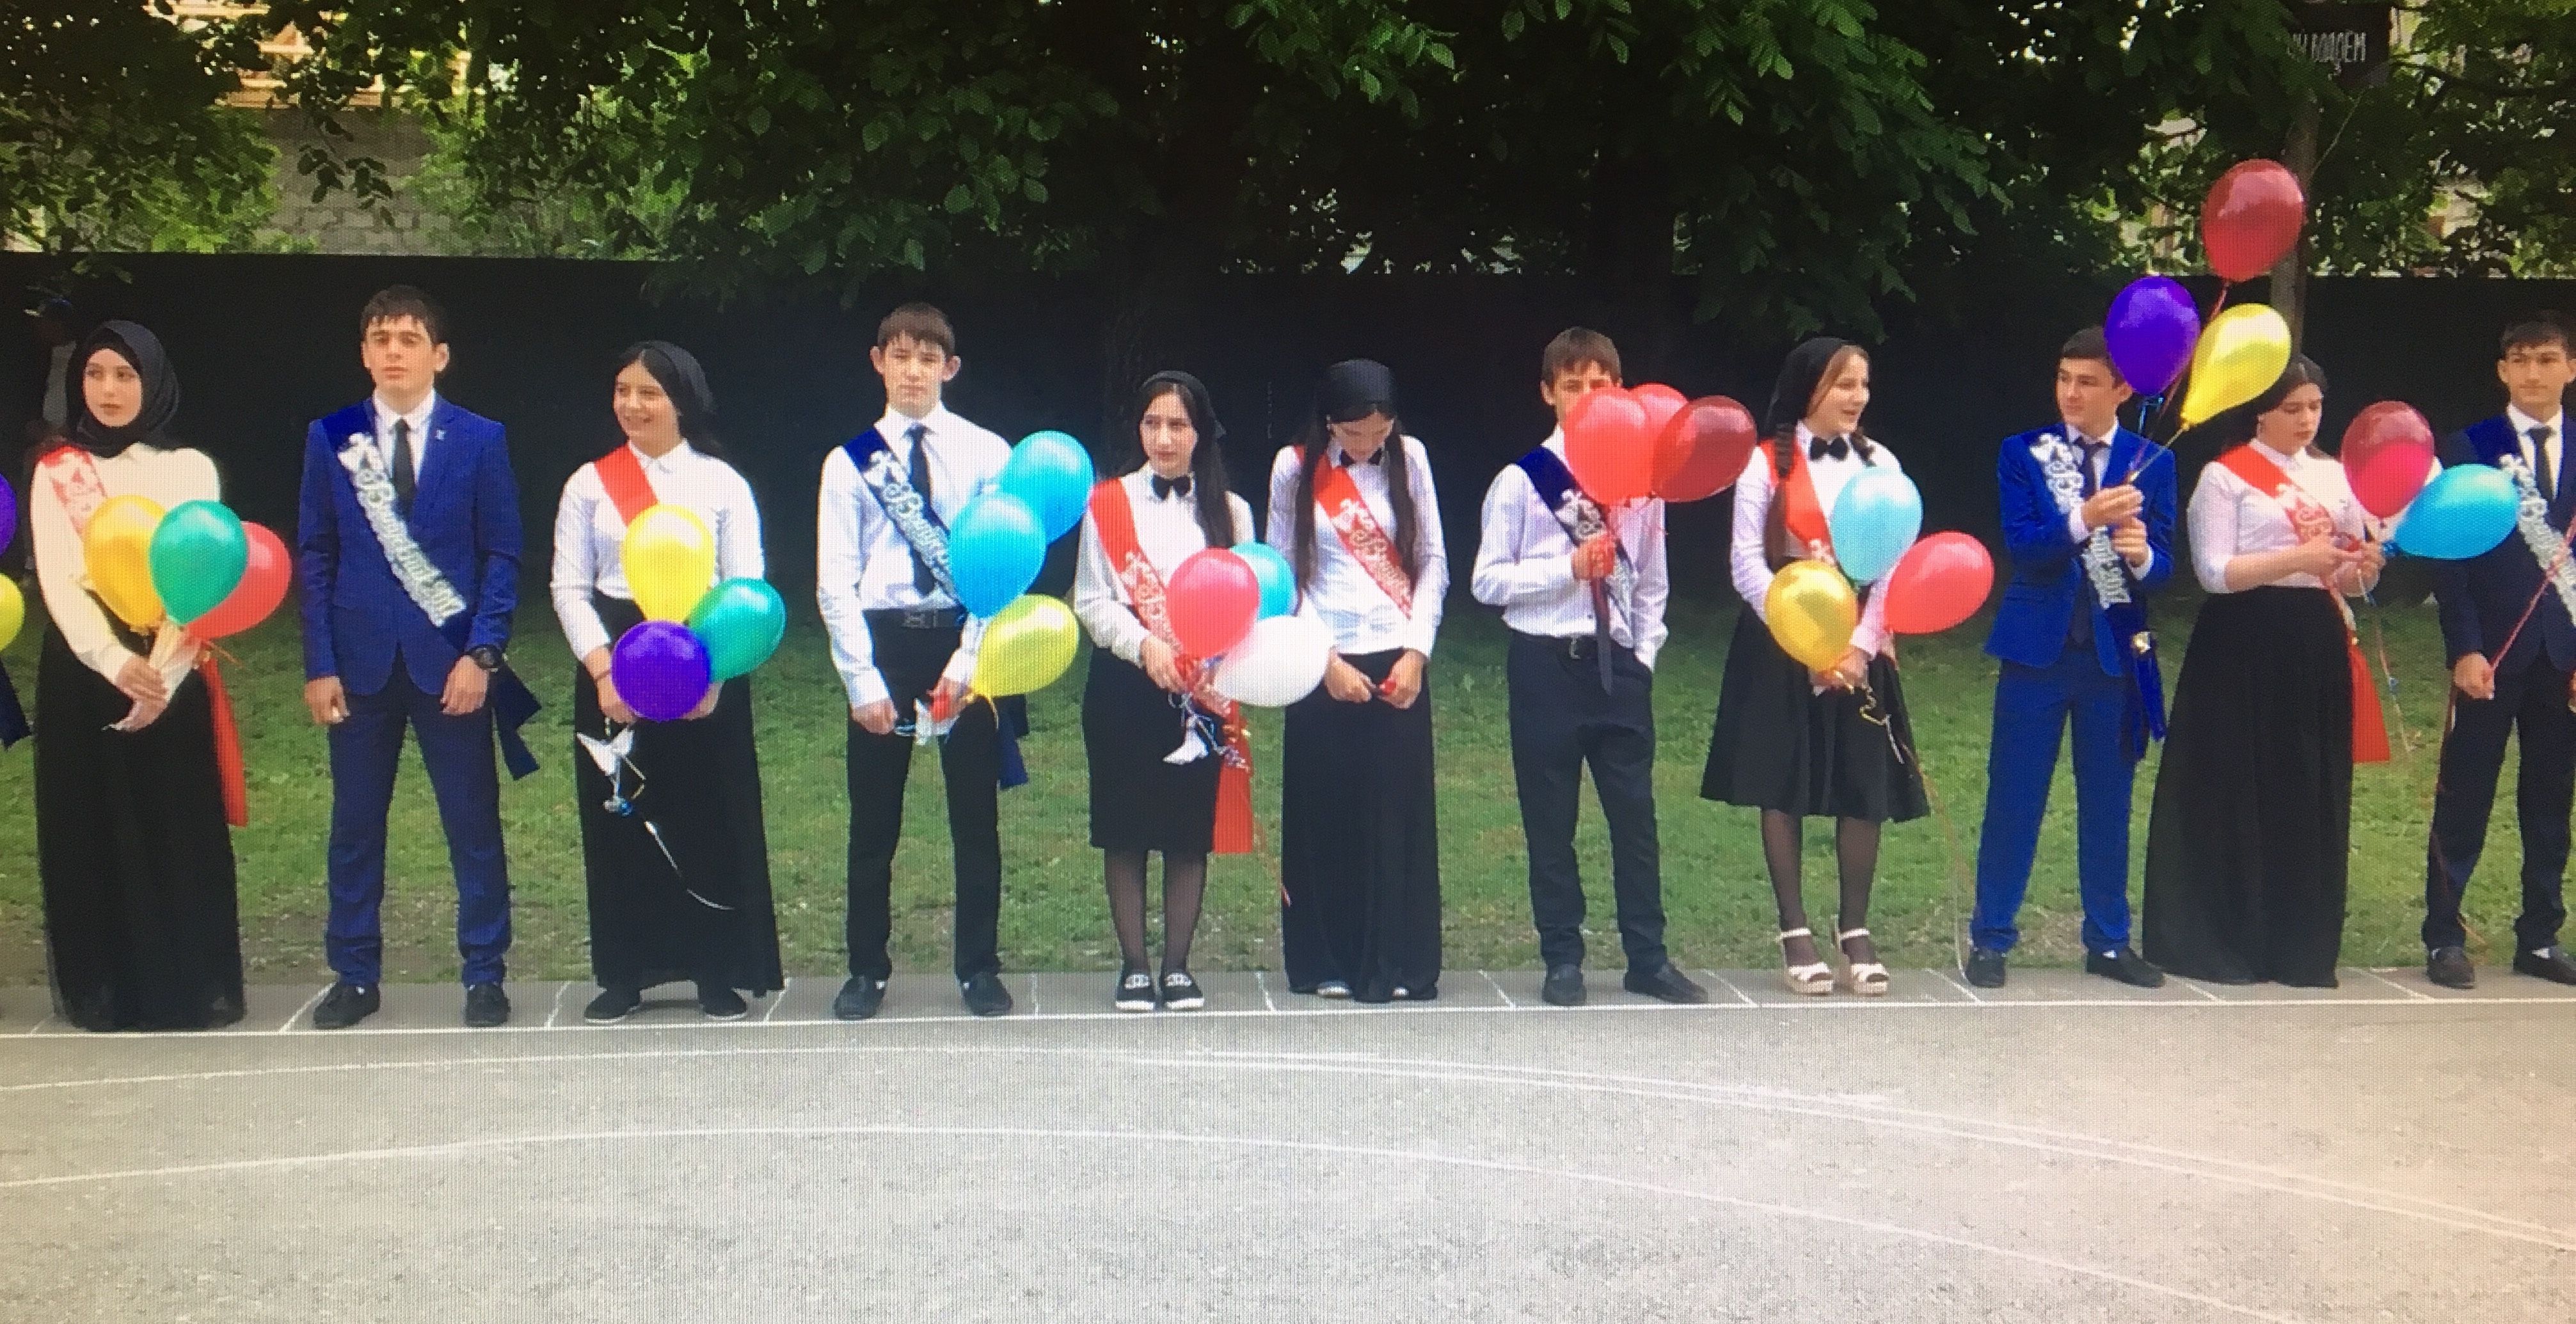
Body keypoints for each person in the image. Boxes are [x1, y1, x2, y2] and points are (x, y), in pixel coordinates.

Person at [296, 286, 537, 1030]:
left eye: (408, 339)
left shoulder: (480, 439)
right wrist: (320, 663)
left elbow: (502, 553)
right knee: (355, 827)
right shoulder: (333, 437)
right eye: (380, 339)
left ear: (439, 355)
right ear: (364, 354)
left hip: (449, 666)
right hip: (360, 666)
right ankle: (354, 975)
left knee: (472, 824)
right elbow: (316, 552)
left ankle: (485, 973)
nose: (393, 351)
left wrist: (482, 653)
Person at [1470, 327, 1705, 1007]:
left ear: (1621, 391)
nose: (1588, 396)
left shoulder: (1645, 486)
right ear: (1549, 393)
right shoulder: (1523, 481)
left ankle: (1648, 957)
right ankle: (1562, 957)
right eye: (1573, 385)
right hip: (1545, 665)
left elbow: (1654, 583)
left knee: (1635, 820)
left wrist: (1644, 657)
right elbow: (1487, 581)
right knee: (1551, 821)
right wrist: (1566, 569)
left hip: (1618, 667)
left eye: (1601, 384)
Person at [554, 342, 784, 1021]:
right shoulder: (589, 484)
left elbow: (746, 587)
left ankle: (716, 969)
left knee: (706, 812)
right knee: (622, 814)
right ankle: (626, 972)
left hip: (707, 655)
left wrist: (716, 676)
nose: (632, 405)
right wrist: (602, 670)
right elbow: (569, 587)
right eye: (622, 391)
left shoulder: (722, 483)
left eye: (649, 393)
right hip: (616, 659)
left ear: (682, 400)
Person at [2142, 356, 2385, 988]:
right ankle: (2223, 934)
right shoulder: (2226, 477)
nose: (2306, 420)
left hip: (2315, 640)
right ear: (2260, 412)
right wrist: (2297, 557)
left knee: (2306, 781)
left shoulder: (2336, 477)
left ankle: (2297, 943)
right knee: (2234, 783)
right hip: (2241, 643)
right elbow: (2215, 572)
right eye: (2291, 409)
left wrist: (2362, 570)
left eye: (2314, 408)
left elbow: (2345, 576)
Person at [28, 320, 244, 1030]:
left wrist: (162, 675)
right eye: (96, 375)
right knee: (92, 828)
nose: (110, 390)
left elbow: (201, 572)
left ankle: (188, 986)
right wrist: (114, 661)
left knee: (175, 824)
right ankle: (106, 989)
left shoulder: (189, 468)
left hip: (172, 664)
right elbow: (61, 580)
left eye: (125, 375)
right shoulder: (56, 471)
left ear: (152, 382)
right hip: (86, 668)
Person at [1702, 338, 1927, 996]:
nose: (1857, 397)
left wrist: (1859, 643)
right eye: (1843, 384)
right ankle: (1794, 929)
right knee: (1785, 783)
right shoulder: (1762, 464)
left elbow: (1893, 564)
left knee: (1864, 784)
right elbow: (1746, 561)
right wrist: (1803, 636)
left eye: (1863, 384)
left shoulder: (1882, 464)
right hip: (1784, 642)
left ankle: (1855, 928)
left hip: (1859, 645)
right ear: (1809, 389)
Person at [816, 303, 1017, 1019]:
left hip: (965, 640)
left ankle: (979, 966)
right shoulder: (849, 462)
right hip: (884, 646)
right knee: (874, 824)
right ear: (878, 362)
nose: (913, 372)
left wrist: (969, 662)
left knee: (976, 820)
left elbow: (1001, 566)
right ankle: (866, 969)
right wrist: (861, 680)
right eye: (899, 356)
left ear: (950, 369)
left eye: (928, 359)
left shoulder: (989, 453)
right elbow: (834, 580)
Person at [1966, 327, 2175, 989]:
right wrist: (2083, 518)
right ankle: (1992, 938)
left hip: (2113, 656)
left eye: (2087, 381)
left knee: (2109, 803)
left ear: (2122, 389)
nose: (2071, 393)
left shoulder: (2153, 461)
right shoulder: (2025, 452)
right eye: (2064, 378)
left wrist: (2143, 556)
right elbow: (2025, 547)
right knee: (2014, 797)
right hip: (2037, 652)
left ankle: (2108, 942)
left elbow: (2166, 565)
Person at [1071, 370, 1258, 1011]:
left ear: (1200, 432)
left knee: (1187, 829)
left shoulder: (1233, 512)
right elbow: (1091, 599)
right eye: (1153, 423)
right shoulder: (1108, 503)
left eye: (1178, 424)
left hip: (1201, 687)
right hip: (1125, 685)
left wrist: (1212, 660)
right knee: (1124, 828)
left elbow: (1250, 601)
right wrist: (1143, 645)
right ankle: (1133, 967)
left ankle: (1177, 967)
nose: (1165, 438)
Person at [1264, 359, 1448, 1003]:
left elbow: (1432, 559)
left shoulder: (1412, 459)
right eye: (1355, 432)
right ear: (1329, 422)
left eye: (1380, 430)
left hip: (1396, 656)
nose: (1369, 442)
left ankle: (1400, 960)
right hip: (1323, 656)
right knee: (1327, 810)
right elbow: (1281, 571)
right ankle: (1326, 959)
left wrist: (1417, 652)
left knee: (1395, 812)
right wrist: (1324, 660)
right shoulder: (1293, 468)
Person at [2424, 313, 2576, 988]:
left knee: (2550, 803)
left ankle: (2540, 937)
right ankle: (2443, 937)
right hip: (2489, 654)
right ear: (2502, 371)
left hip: (2563, 656)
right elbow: (2450, 558)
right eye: (2520, 360)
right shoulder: (2472, 446)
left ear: (2570, 367)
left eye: (2547, 359)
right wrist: (2464, 647)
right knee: (2465, 797)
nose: (2533, 373)